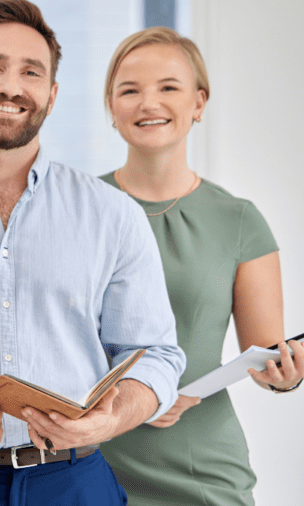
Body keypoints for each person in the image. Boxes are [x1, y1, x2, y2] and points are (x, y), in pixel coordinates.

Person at [0, 0, 187, 506]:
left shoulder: (112, 214)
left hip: (75, 483)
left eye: (30, 73)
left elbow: (157, 354)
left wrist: (113, 415)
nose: (11, 87)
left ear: (52, 95)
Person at [97, 26, 304, 505]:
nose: (149, 103)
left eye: (168, 87)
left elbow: (266, 351)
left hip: (202, 470)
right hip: (92, 462)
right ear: (111, 107)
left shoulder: (239, 221)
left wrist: (286, 375)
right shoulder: (76, 208)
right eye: (130, 90)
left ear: (199, 102)